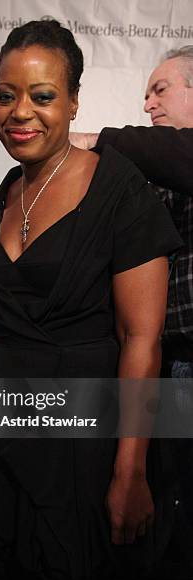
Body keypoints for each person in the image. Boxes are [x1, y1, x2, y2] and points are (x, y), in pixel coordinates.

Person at [0, 20, 182, 580]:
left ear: (73, 102)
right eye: (6, 95)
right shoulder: (6, 191)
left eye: (42, 96)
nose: (20, 112)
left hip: (86, 440)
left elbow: (142, 339)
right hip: (5, 427)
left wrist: (131, 470)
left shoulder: (119, 187)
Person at [71, 46, 193, 536]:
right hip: (168, 366)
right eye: (145, 94)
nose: (148, 105)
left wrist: (97, 139)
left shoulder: (170, 158)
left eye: (160, 90)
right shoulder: (155, 176)